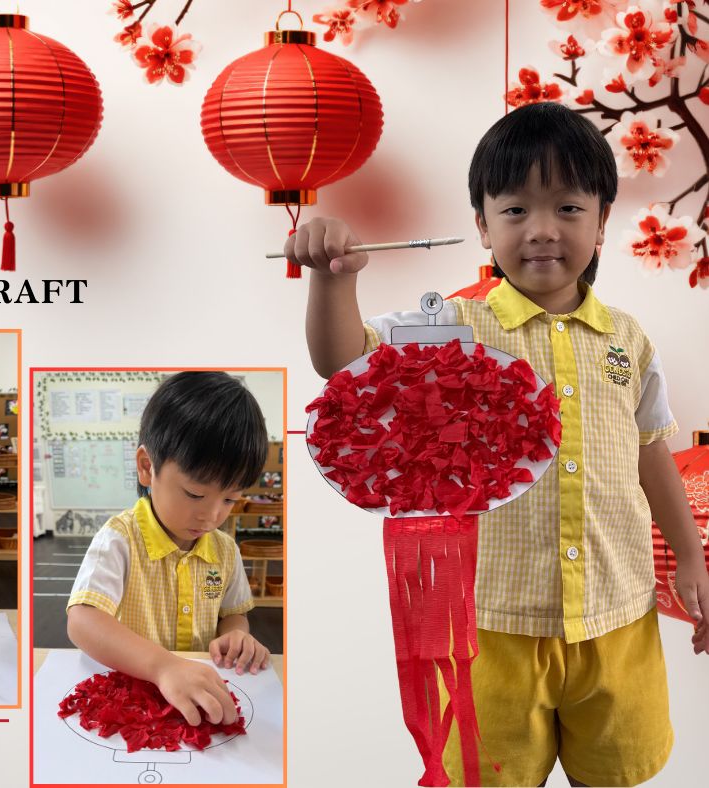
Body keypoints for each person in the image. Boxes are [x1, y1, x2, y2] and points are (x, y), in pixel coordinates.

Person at [289, 102, 709, 787]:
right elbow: (341, 361)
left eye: (568, 208)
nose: (542, 231)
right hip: (489, 630)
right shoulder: (453, 326)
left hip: (619, 616)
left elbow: (651, 452)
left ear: (602, 221)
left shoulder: (628, 340)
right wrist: (334, 278)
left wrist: (690, 562)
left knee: (622, 773)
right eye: (515, 211)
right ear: (482, 225)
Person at [67, 371, 272, 728]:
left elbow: (232, 614)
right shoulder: (119, 539)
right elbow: (83, 621)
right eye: (195, 493)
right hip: (131, 693)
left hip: (195, 695)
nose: (211, 515)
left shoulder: (224, 551)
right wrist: (163, 666)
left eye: (230, 499)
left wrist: (236, 635)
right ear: (147, 467)